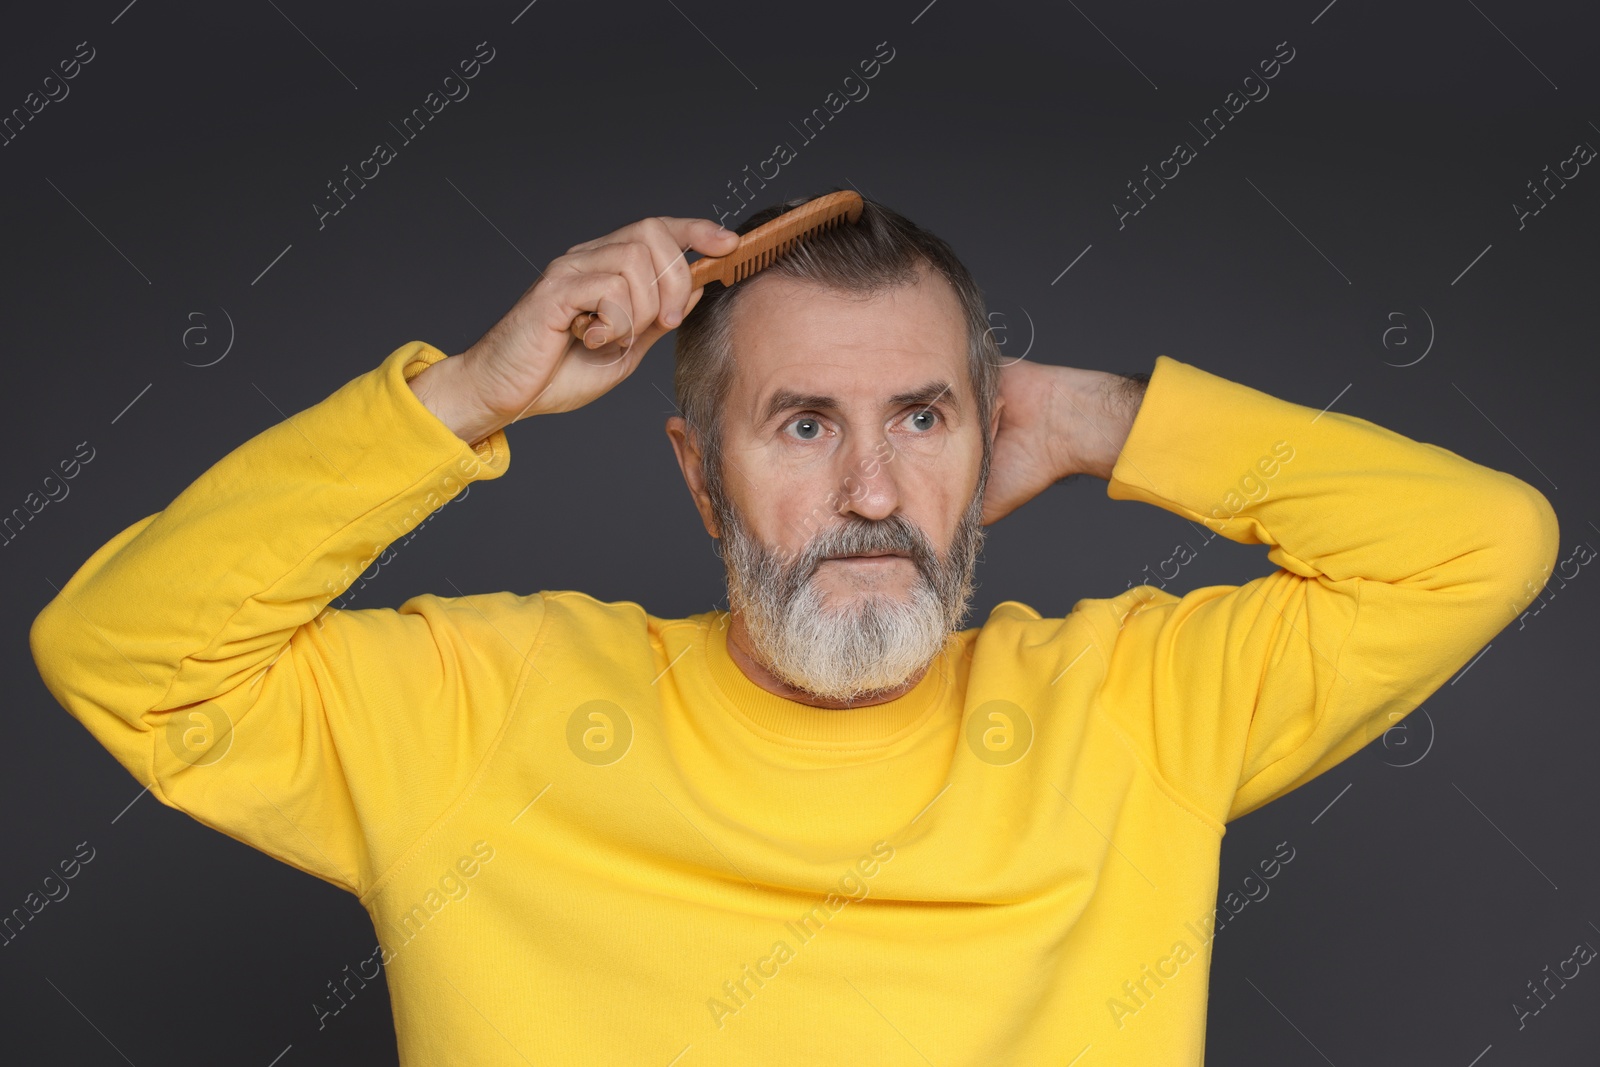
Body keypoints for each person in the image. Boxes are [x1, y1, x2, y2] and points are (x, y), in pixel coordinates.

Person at [30, 191, 1558, 1065]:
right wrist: (469, 395)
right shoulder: (481, 707)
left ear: (986, 438)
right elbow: (118, 651)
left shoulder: (1134, 708)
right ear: (701, 477)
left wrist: (1095, 418)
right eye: (804, 424)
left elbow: (1485, 543)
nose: (876, 489)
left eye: (923, 416)